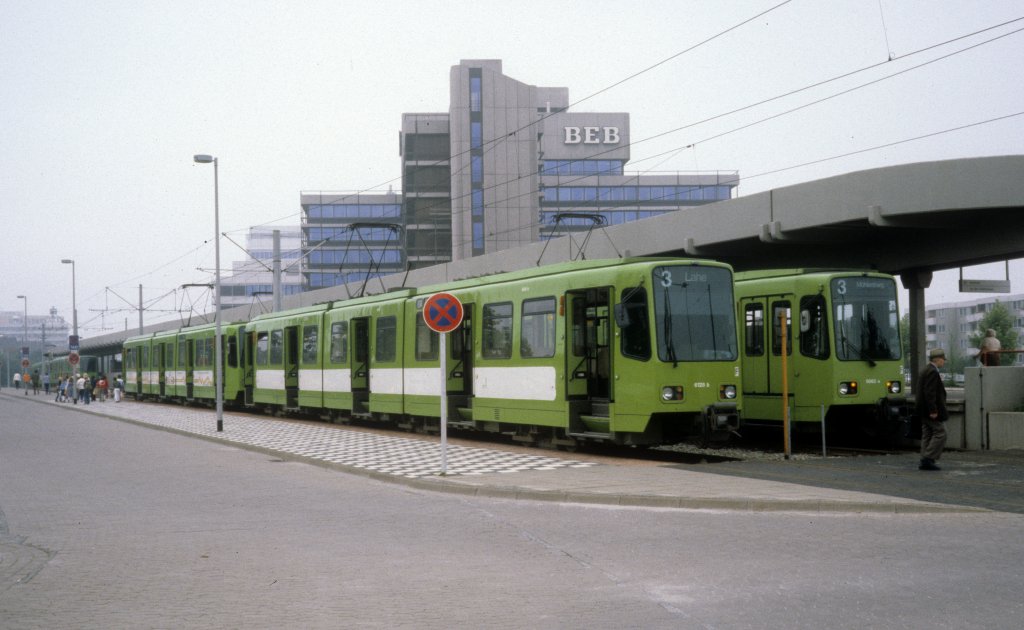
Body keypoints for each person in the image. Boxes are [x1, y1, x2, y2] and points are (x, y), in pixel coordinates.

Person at [916, 348, 948, 471]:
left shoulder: (926, 369)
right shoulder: (932, 372)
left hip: (923, 409)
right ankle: (928, 459)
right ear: (938, 359)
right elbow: (930, 392)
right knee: (941, 433)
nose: (944, 362)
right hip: (930, 410)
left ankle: (924, 458)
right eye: (943, 359)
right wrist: (933, 410)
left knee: (928, 433)